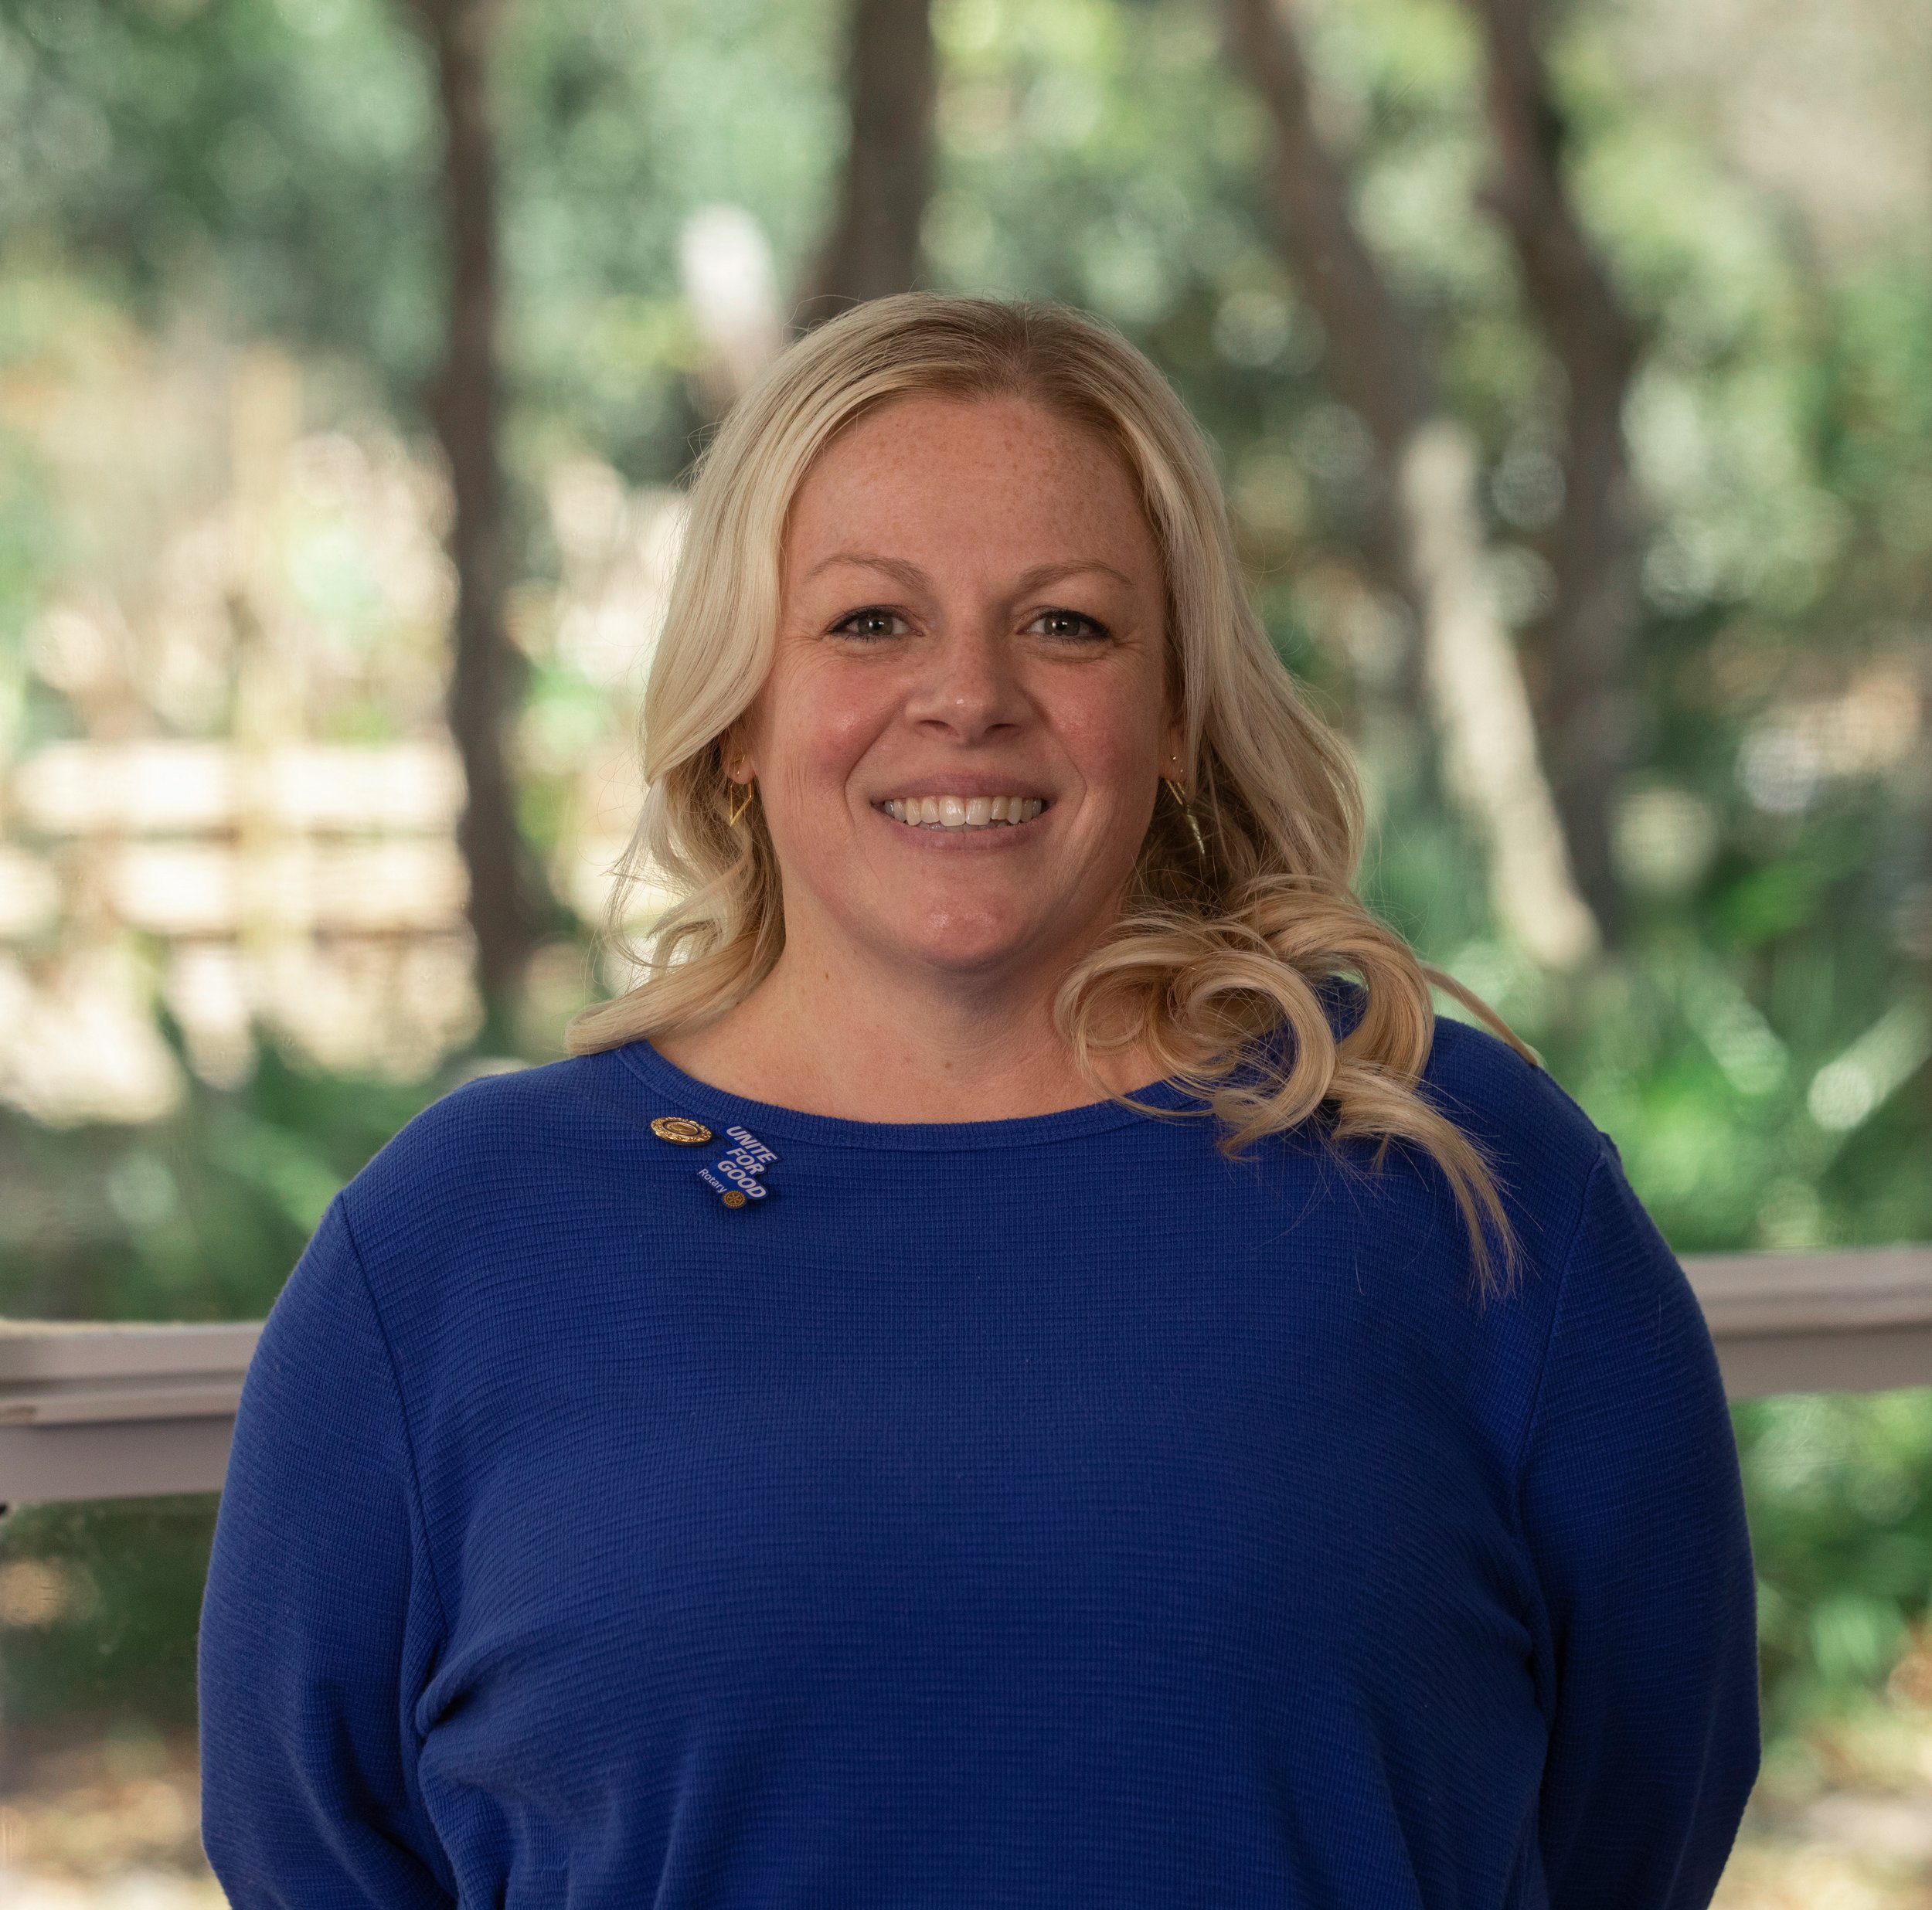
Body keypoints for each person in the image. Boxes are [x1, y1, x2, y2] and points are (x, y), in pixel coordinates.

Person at [199, 294, 1759, 1907]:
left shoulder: (1465, 1179)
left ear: (1173, 716)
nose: (967, 695)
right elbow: (309, 1845)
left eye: (1065, 624)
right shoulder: (450, 1242)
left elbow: (1637, 1809)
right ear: (736, 713)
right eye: (869, 621)